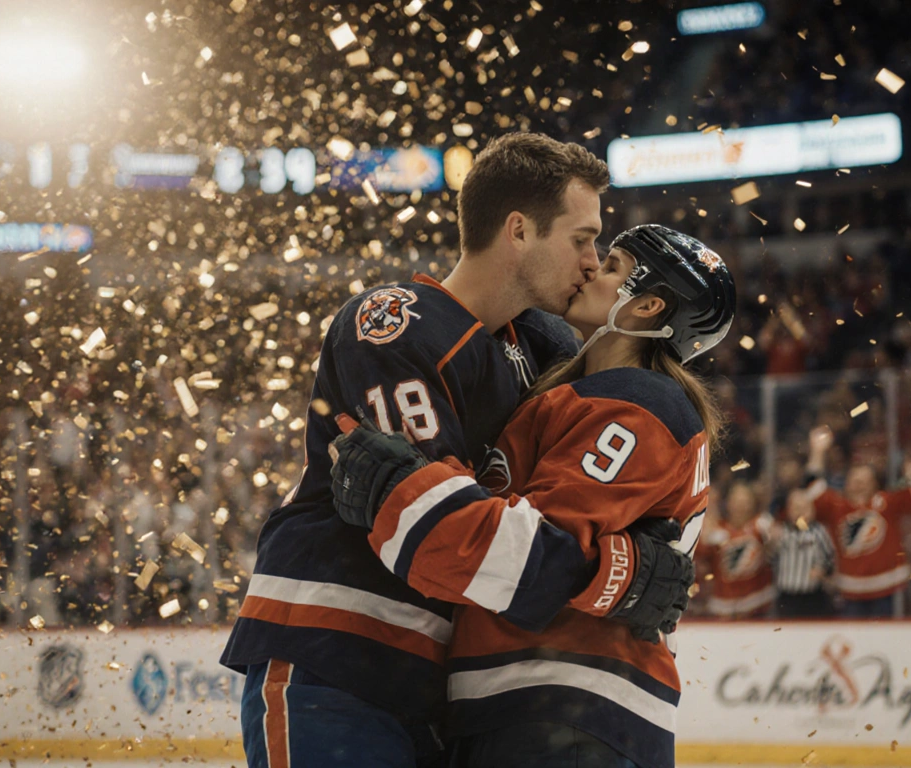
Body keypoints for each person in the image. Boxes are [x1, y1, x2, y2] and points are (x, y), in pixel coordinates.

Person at [220, 134, 697, 768]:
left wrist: (628, 554)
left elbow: (598, 498)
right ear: (519, 230)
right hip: (334, 651)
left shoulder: (547, 348)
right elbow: (433, 524)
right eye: (582, 239)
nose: (592, 260)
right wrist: (613, 574)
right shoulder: (395, 319)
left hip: (445, 687)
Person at [330, 224, 736, 768]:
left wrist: (401, 493)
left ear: (647, 306)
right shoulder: (576, 386)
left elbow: (531, 555)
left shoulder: (638, 403)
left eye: (613, 265)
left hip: (569, 702)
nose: (592, 268)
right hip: (538, 702)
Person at [802, 423, 911, 618]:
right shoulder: (837, 506)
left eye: (864, 481)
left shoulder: (888, 502)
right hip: (851, 591)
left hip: (890, 588)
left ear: (875, 485)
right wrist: (817, 452)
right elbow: (812, 489)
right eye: (854, 481)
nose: (858, 485)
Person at [698, 481, 776, 618]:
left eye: (745, 501)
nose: (740, 507)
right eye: (736, 501)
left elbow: (775, 547)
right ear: (727, 503)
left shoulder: (761, 525)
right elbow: (700, 559)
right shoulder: (717, 532)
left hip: (757, 605)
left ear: (753, 503)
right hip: (724, 607)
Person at [771, 489, 836, 618]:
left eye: (804, 508)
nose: (800, 513)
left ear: (812, 511)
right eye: (796, 508)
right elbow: (771, 560)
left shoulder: (819, 532)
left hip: (812, 595)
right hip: (787, 595)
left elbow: (830, 557)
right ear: (788, 511)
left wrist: (823, 570)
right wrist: (771, 543)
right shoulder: (781, 532)